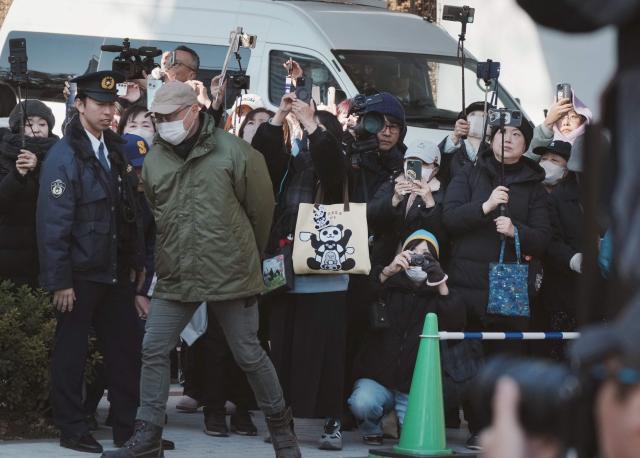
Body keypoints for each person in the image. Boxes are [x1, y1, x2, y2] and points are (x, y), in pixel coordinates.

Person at [103, 81, 300, 458]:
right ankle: (148, 436)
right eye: (157, 118)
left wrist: (245, 255)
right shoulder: (156, 157)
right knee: (154, 347)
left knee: (249, 353)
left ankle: (282, 431)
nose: (163, 124)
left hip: (232, 271)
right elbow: (158, 210)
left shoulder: (237, 153)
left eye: (170, 116)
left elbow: (261, 212)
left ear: (194, 111)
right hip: (178, 270)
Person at [36, 71, 145, 454]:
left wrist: (134, 264)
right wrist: (60, 280)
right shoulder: (65, 155)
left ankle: (127, 429)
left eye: (112, 105)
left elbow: (127, 213)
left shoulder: (112, 149)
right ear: (79, 104)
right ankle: (71, 427)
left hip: (112, 270)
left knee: (125, 350)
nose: (108, 112)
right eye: (99, 104)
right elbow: (53, 223)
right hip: (80, 274)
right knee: (72, 352)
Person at [252, 93, 352, 451]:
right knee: (283, 351)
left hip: (325, 274)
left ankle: (332, 422)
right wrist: (280, 116)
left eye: (319, 131)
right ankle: (283, 420)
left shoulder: (339, 165)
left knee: (328, 353)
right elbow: (261, 158)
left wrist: (313, 122)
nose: (310, 137)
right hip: (282, 267)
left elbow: (329, 160)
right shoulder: (290, 164)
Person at [442, 121, 551, 449]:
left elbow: (544, 238)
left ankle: (502, 429)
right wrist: (485, 207)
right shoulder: (470, 173)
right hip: (467, 283)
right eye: (503, 133)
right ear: (491, 139)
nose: (510, 139)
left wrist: (516, 231)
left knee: (507, 361)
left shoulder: (534, 186)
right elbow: (449, 220)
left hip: (510, 285)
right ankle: (477, 426)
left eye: (518, 135)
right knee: (470, 362)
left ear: (526, 145)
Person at [348, 230, 465, 445]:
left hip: (413, 384)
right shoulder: (388, 284)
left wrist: (440, 282)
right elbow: (358, 305)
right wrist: (387, 272)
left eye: (426, 255)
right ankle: (371, 427)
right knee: (362, 402)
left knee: (416, 430)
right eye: (413, 252)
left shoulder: (438, 291)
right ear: (403, 253)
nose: (418, 259)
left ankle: (394, 421)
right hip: (378, 378)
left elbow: (456, 323)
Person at [531, 140, 587, 360]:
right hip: (553, 289)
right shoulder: (543, 196)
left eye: (555, 160)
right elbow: (551, 241)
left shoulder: (584, 197)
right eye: (543, 159)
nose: (546, 164)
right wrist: (572, 258)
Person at [0, 100, 58, 288]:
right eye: (29, 123)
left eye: (43, 124)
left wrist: (38, 168)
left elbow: (59, 194)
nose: (37, 129)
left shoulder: (59, 155)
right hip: (7, 256)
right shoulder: (3, 154)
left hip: (43, 255)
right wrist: (18, 174)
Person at [368, 139, 447, 268]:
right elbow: (371, 218)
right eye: (411, 161)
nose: (416, 167)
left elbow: (442, 237)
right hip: (384, 262)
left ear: (435, 169)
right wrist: (393, 200)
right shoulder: (392, 182)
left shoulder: (441, 192)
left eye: (423, 163)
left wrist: (430, 204)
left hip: (418, 267)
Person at [527, 90, 592, 173]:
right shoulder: (544, 142)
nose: (565, 123)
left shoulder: (591, 145)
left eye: (573, 117)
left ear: (583, 119)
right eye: (560, 117)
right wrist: (547, 124)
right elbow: (526, 159)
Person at [438, 101, 493, 186]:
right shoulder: (454, 145)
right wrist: (455, 136)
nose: (477, 119)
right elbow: (438, 160)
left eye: (484, 116)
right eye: (473, 115)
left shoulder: (495, 151)